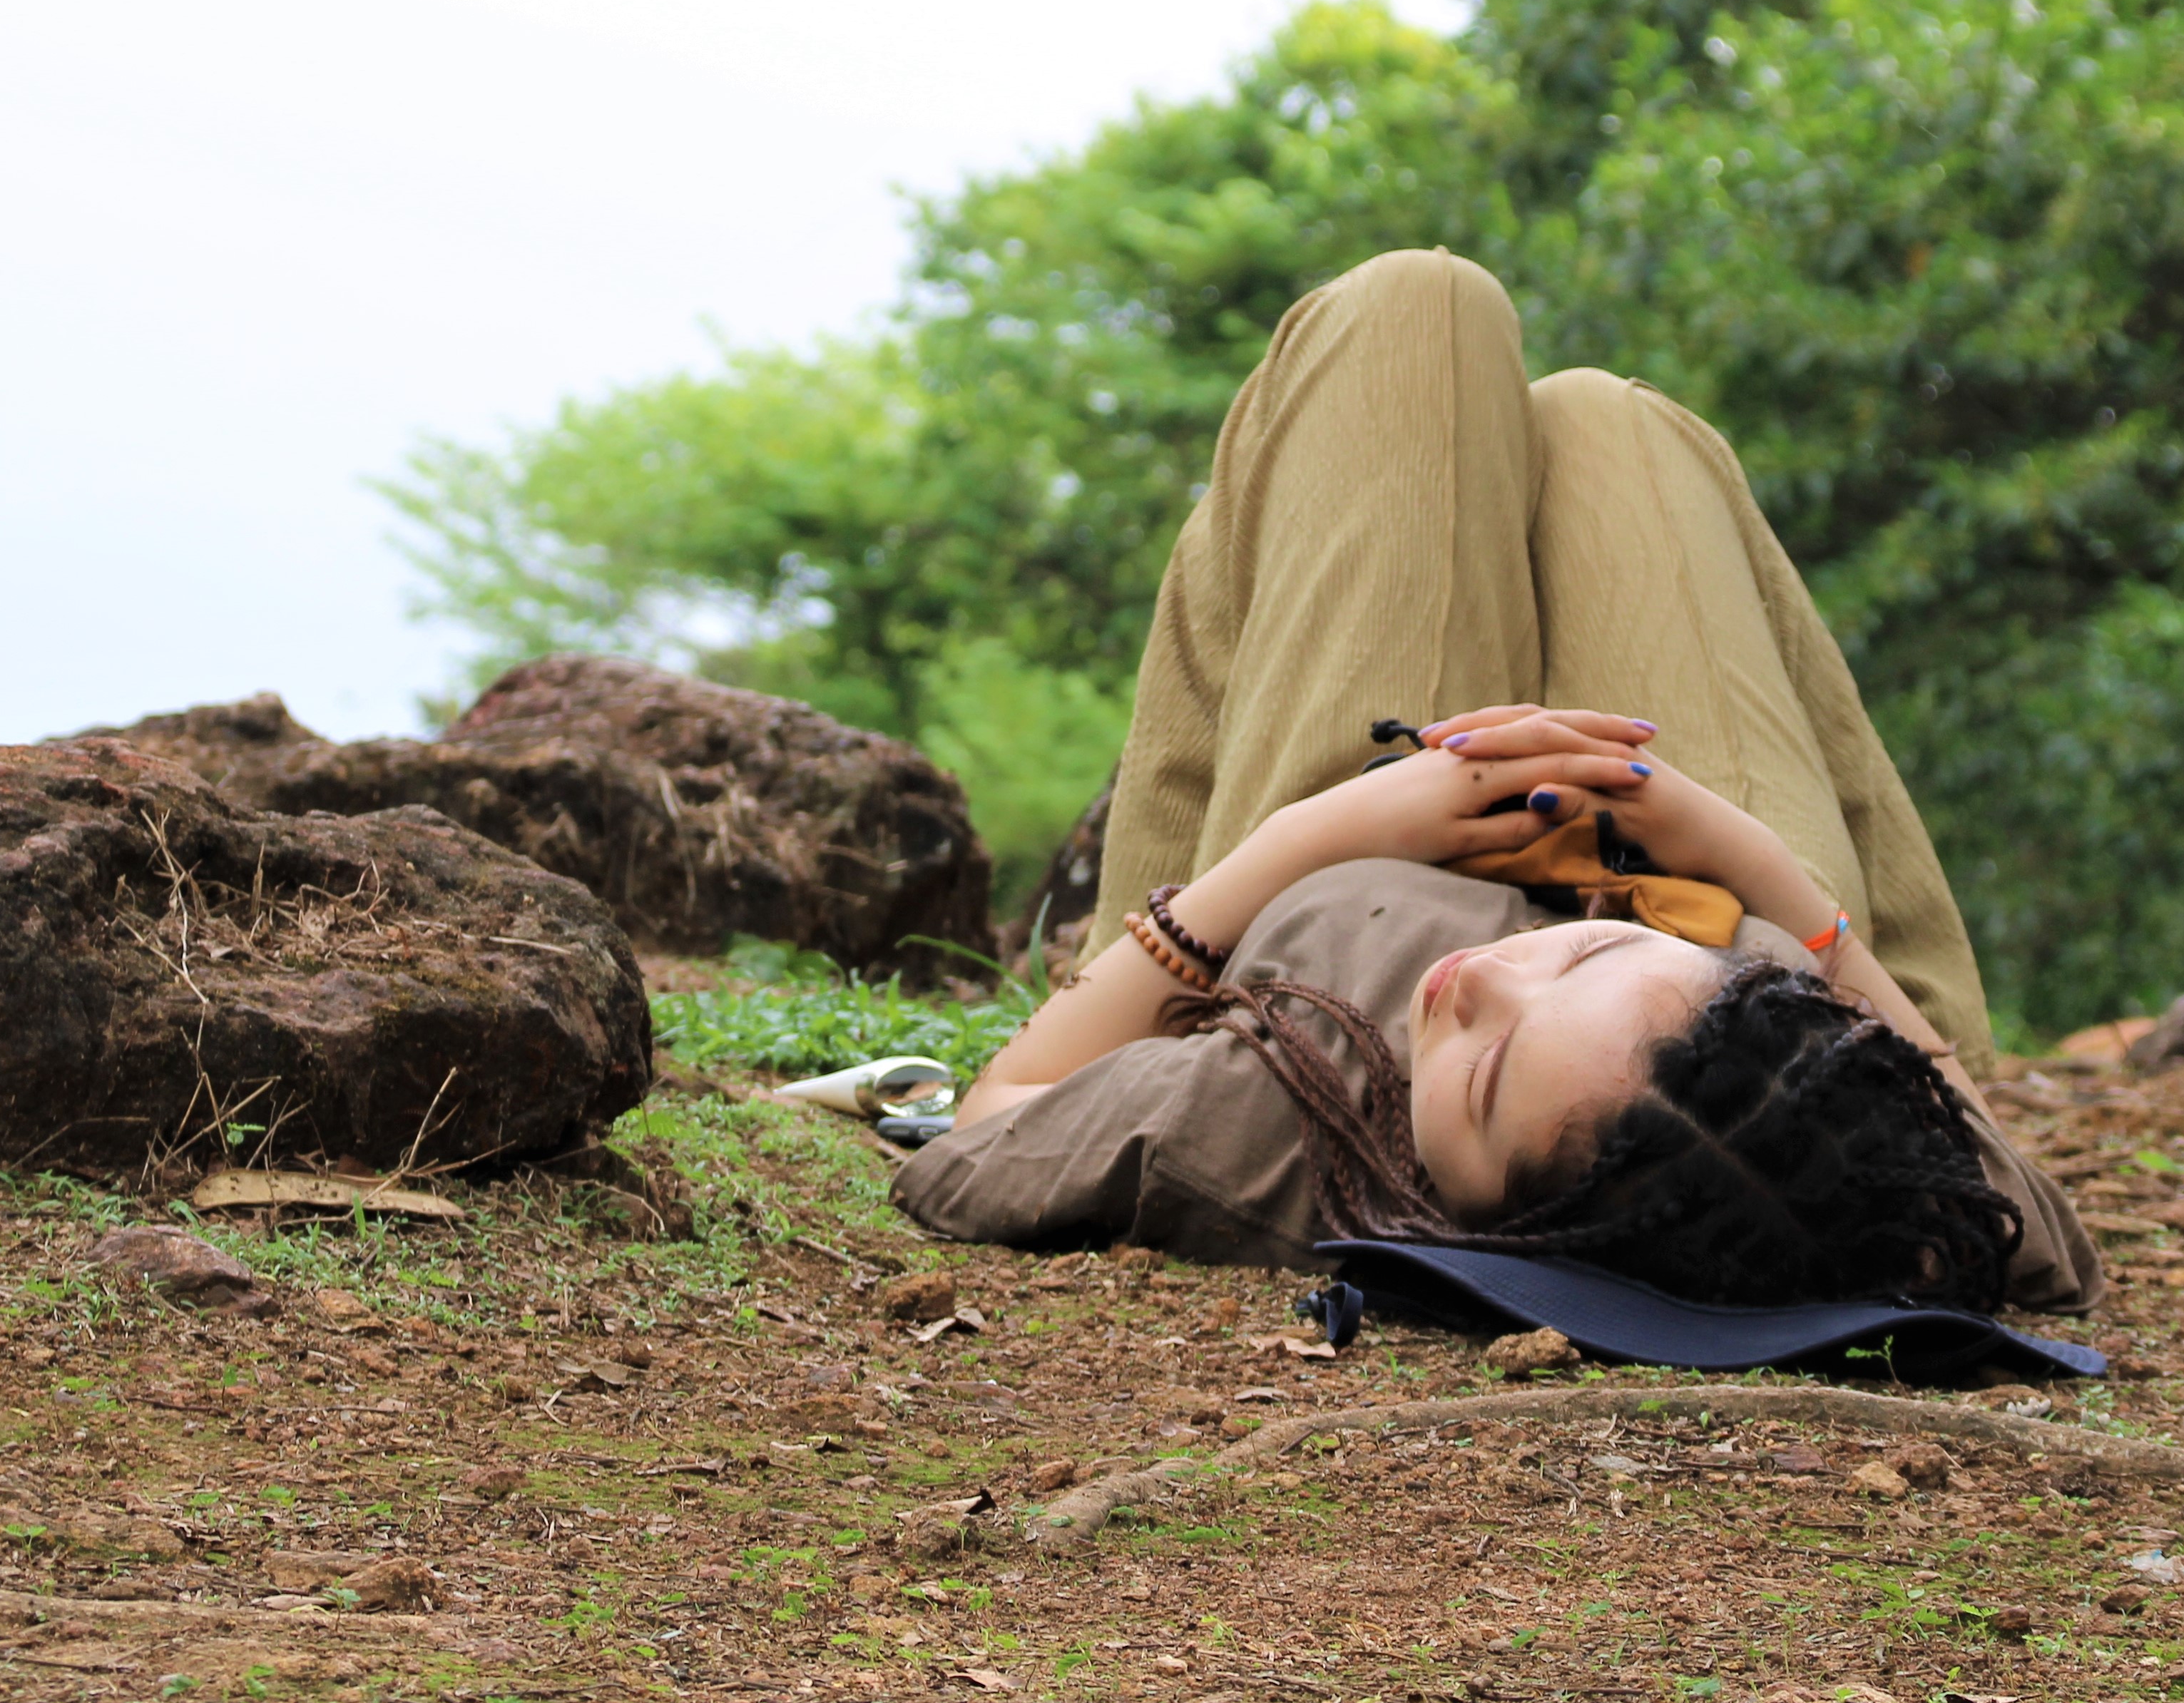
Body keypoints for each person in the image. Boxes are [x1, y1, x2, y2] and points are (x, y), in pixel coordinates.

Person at [891, 248, 2101, 1313]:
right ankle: (1658, 946)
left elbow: (1002, 1114)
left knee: (1413, 310)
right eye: (1583, 965)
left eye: (1480, 1082)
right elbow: (2005, 1210)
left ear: (1508, 1230)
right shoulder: (1789, 1108)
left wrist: (1308, 836)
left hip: (1341, 845)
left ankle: (1422, 875)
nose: (1477, 982)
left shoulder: (1286, 1129)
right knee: (1608, 422)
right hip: (1719, 872)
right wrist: (1761, 874)